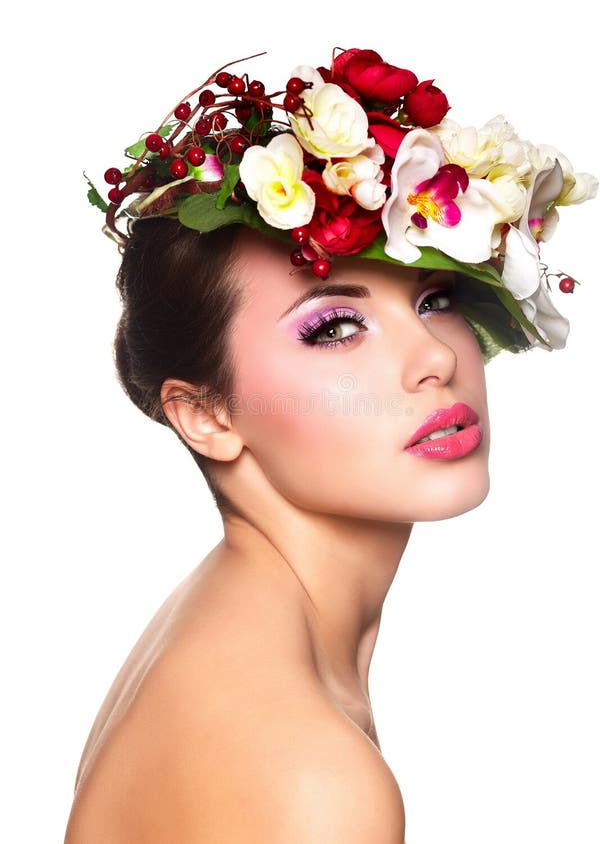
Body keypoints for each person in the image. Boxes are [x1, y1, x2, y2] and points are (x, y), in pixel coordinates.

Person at [65, 47, 597, 843]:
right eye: (335, 328)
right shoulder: (309, 772)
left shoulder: (229, 624)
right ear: (207, 415)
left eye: (434, 298)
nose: (437, 358)